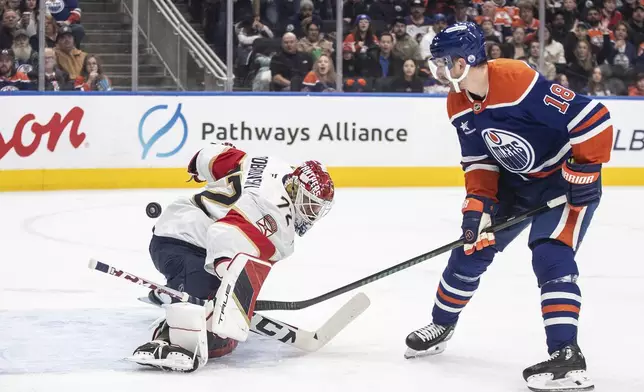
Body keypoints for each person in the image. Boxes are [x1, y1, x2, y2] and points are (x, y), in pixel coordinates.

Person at [405, 22, 613, 392]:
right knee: (470, 250)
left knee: (551, 255)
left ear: (467, 60)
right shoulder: (457, 103)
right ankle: (441, 324)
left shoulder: (516, 81)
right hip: (515, 186)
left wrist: (583, 171)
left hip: (561, 185)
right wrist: (477, 209)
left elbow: (593, 118)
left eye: (445, 61)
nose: (439, 68)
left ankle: (566, 355)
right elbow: (479, 161)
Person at [129, 143, 335, 372]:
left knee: (214, 297)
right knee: (222, 339)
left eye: (317, 209)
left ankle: (183, 290)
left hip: (177, 225)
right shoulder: (276, 219)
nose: (312, 214)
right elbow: (223, 234)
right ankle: (167, 338)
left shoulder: (271, 165)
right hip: (183, 244)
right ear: (296, 189)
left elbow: (211, 156)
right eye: (310, 205)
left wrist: (197, 167)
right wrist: (230, 279)